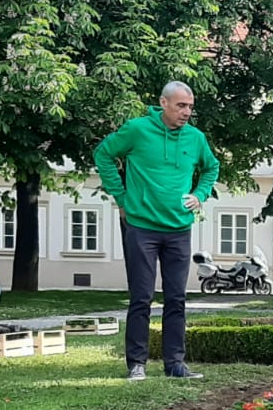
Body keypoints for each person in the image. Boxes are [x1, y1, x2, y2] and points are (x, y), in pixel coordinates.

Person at [94, 81, 220, 381]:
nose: (187, 112)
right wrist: (122, 198)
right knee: (142, 296)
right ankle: (136, 363)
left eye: (190, 106)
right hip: (142, 227)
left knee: (176, 298)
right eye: (181, 105)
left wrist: (200, 195)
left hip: (179, 228)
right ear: (163, 103)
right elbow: (103, 155)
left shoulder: (195, 138)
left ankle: (175, 364)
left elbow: (211, 167)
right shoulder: (137, 130)